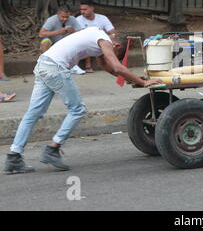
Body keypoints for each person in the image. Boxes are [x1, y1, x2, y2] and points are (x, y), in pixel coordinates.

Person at [3, 27, 162, 174]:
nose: (111, 54)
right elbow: (118, 67)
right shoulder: (105, 42)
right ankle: (52, 149)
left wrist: (132, 79)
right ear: (117, 46)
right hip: (56, 68)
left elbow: (106, 66)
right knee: (77, 110)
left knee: (33, 112)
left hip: (43, 63)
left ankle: (13, 157)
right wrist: (143, 82)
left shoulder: (97, 33)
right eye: (116, 54)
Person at [39, 5, 84, 74]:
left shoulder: (72, 19)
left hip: (65, 42)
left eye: (67, 17)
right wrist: (58, 32)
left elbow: (81, 33)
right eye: (63, 17)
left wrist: (73, 31)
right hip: (53, 42)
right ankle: (48, 65)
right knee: (45, 41)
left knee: (77, 42)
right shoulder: (52, 20)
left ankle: (74, 66)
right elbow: (41, 34)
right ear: (57, 14)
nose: (65, 19)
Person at [77, 0, 117, 73]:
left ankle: (115, 66)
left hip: (101, 41)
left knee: (113, 42)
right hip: (87, 41)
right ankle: (88, 66)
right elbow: (81, 35)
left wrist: (110, 38)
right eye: (81, 9)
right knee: (86, 41)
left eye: (85, 9)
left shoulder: (102, 18)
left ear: (92, 8)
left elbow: (113, 32)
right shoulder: (78, 19)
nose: (82, 12)